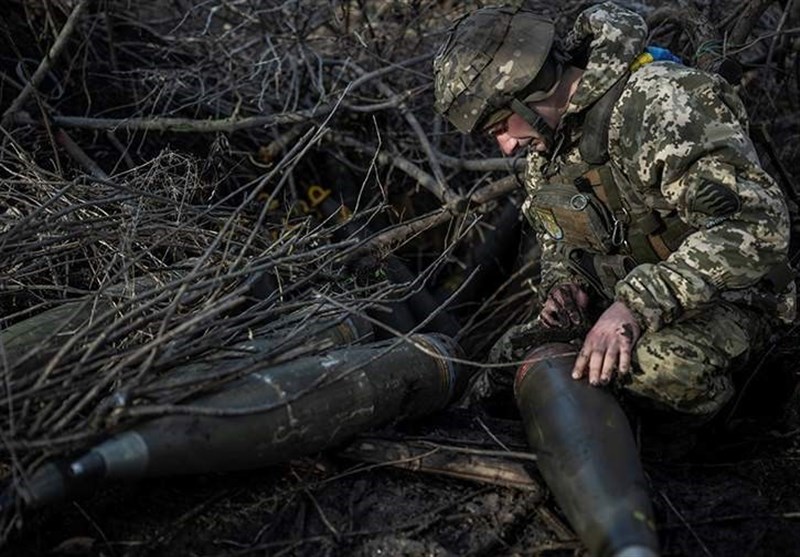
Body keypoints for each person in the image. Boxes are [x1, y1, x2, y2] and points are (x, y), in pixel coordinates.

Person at [433, 2, 796, 556]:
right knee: (504, 367)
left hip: (736, 296)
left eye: (498, 126)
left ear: (529, 91)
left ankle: (716, 451)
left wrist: (633, 306)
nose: (504, 145)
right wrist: (564, 285)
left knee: (660, 371)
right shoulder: (547, 144)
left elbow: (756, 225)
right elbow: (558, 238)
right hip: (627, 304)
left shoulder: (660, 102)